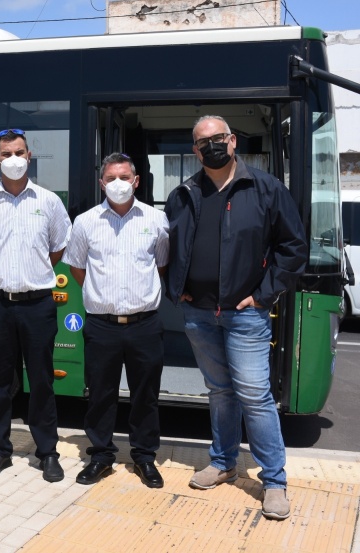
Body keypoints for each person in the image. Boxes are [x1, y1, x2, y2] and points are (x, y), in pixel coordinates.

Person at [164, 115, 307, 520]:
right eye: (203, 141)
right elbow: (166, 247)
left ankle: (274, 481)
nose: (212, 145)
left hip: (246, 315)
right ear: (195, 151)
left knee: (254, 394)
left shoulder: (265, 188)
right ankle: (224, 461)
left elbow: (293, 248)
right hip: (199, 314)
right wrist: (176, 287)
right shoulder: (183, 193)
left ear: (233, 142)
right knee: (219, 391)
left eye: (219, 138)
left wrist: (263, 296)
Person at [0, 129, 72, 482]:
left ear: (29, 156)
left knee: (42, 380)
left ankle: (47, 452)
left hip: (37, 304)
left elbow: (58, 249)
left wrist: (32, 272)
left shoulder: (49, 201)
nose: (13, 159)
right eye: (6, 153)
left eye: (19, 152)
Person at [63, 153, 169, 488]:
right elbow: (77, 267)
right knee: (100, 394)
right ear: (102, 183)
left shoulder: (157, 220)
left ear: (136, 181)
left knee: (145, 395)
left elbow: (161, 265)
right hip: (102, 324)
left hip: (145, 323)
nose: (118, 184)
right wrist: (101, 296)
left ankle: (144, 457)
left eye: (124, 177)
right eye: (111, 178)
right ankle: (101, 456)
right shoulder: (85, 222)